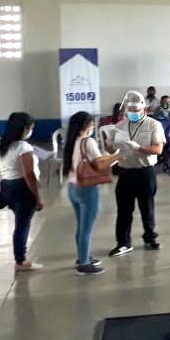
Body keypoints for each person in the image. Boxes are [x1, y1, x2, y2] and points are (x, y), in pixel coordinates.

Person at [105, 91, 165, 257]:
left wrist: (139, 148)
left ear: (143, 109)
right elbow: (111, 150)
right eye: (130, 110)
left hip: (145, 171)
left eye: (135, 110)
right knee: (124, 209)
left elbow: (158, 149)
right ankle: (123, 243)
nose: (132, 113)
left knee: (147, 208)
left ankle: (150, 238)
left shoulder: (153, 125)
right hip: (125, 172)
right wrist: (108, 143)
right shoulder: (119, 126)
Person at [64, 111, 119, 276]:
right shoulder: (88, 142)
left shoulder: (72, 142)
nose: (93, 126)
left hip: (72, 187)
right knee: (86, 228)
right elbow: (99, 165)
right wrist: (117, 156)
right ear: (86, 126)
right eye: (92, 123)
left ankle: (83, 256)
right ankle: (84, 264)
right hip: (86, 189)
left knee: (81, 226)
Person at [0, 113, 43, 272]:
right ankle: (20, 261)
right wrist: (38, 197)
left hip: (6, 186)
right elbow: (29, 175)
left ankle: (20, 259)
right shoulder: (23, 147)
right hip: (22, 188)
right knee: (22, 226)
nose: (31, 131)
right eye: (30, 128)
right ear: (24, 128)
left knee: (20, 224)